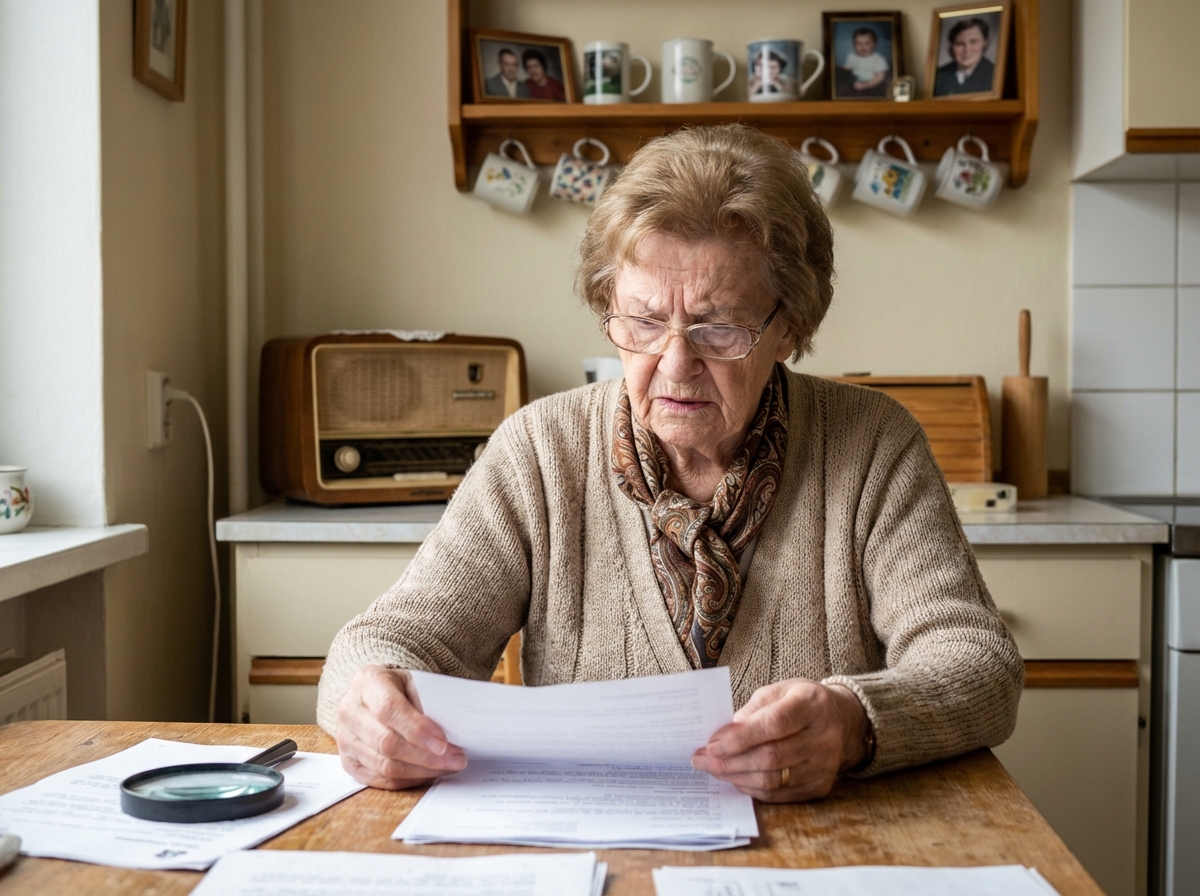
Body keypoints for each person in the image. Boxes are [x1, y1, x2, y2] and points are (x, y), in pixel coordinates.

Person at [318, 124, 1022, 803]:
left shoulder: (873, 446)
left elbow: (978, 665)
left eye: (718, 327)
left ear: (790, 329)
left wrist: (853, 723)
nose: (675, 365)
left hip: (821, 851)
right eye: (646, 321)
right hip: (589, 850)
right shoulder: (539, 450)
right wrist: (366, 700)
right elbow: (390, 640)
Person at [934, 17, 996, 96]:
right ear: (952, 47)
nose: (967, 50)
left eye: (973, 42)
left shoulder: (995, 75)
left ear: (985, 43)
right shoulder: (938, 75)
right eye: (960, 44)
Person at [839, 27, 890, 96]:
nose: (863, 47)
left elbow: (880, 76)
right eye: (858, 44)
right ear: (853, 45)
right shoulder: (852, 57)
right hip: (855, 81)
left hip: (873, 83)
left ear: (874, 44)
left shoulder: (878, 59)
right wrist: (842, 71)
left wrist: (866, 85)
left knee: (881, 91)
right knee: (844, 90)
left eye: (867, 43)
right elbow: (847, 69)